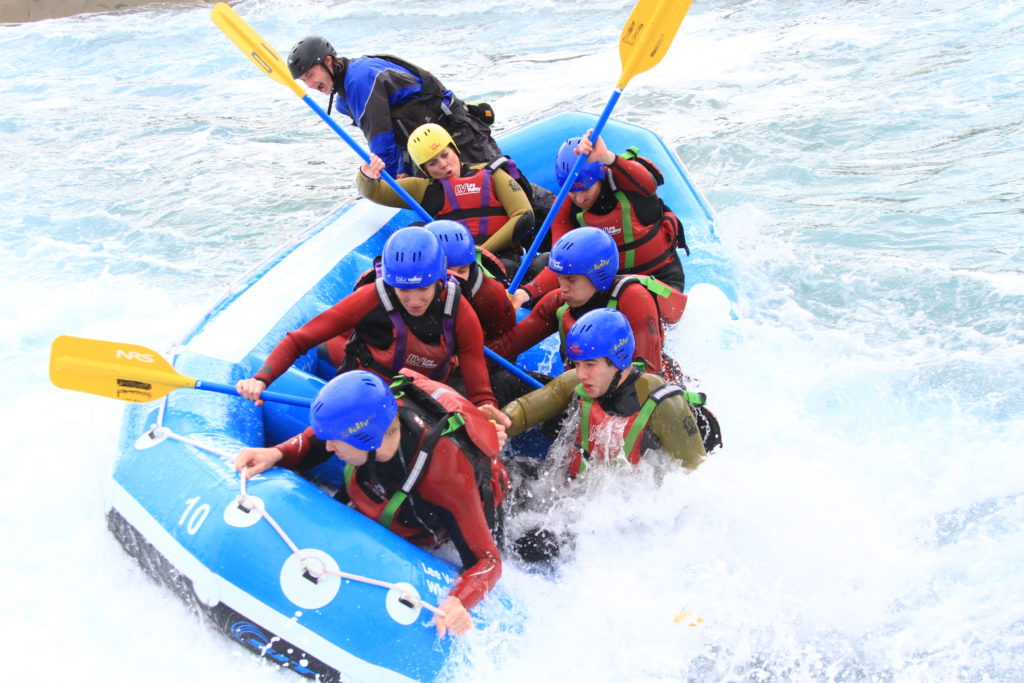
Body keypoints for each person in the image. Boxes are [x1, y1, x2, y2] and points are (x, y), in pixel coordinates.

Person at [235, 369, 510, 636]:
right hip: (396, 491)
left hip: (467, 507)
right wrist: (276, 453)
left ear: (365, 438)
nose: (328, 447)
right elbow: (315, 442)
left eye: (335, 441)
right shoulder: (376, 421)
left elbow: (487, 560)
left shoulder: (446, 476)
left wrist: (459, 601)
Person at [236, 226, 510, 426]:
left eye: (423, 289)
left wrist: (485, 405)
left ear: (439, 279)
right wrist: (261, 379)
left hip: (421, 395)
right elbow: (300, 339)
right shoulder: (371, 297)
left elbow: (474, 366)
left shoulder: (457, 306)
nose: (414, 301)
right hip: (366, 394)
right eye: (404, 290)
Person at [502, 308, 709, 479]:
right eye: (577, 364)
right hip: (577, 490)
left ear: (619, 360)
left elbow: (694, 476)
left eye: (590, 365)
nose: (581, 374)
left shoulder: (662, 402)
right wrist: (499, 424)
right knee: (508, 476)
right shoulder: (576, 382)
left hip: (631, 505)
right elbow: (525, 409)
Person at [510, 131, 688, 323]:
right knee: (545, 268)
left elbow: (649, 183)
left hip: (660, 277)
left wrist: (607, 157)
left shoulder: (628, 184)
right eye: (572, 192)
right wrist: (525, 293)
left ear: (599, 177)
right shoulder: (564, 208)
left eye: (586, 190)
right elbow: (561, 263)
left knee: (638, 309)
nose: (579, 199)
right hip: (611, 286)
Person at [288, 37, 501, 178]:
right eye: (304, 80)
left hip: (458, 139)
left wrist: (386, 183)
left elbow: (382, 141)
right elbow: (398, 136)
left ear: (328, 61)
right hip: (426, 152)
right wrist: (402, 170)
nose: (310, 84)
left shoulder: (360, 80)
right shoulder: (344, 98)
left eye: (311, 75)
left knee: (491, 191)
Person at [490, 226, 678, 377]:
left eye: (571, 280)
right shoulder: (558, 302)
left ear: (599, 275)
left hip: (642, 396)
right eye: (560, 279)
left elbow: (649, 373)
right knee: (503, 382)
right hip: (582, 391)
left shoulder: (634, 298)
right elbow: (508, 346)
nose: (563, 288)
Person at [357, 123, 535, 269]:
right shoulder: (422, 189)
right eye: (433, 163)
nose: (443, 164)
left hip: (499, 259)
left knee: (515, 266)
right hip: (455, 268)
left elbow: (524, 216)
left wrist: (478, 253)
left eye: (445, 155)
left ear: (455, 150)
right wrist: (366, 173)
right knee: (416, 230)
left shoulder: (492, 174)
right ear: (425, 170)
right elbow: (373, 191)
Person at [425, 220, 516, 342]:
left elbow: (504, 343)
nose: (455, 278)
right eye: (447, 271)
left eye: (462, 270)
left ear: (471, 267)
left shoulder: (490, 294)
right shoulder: (406, 287)